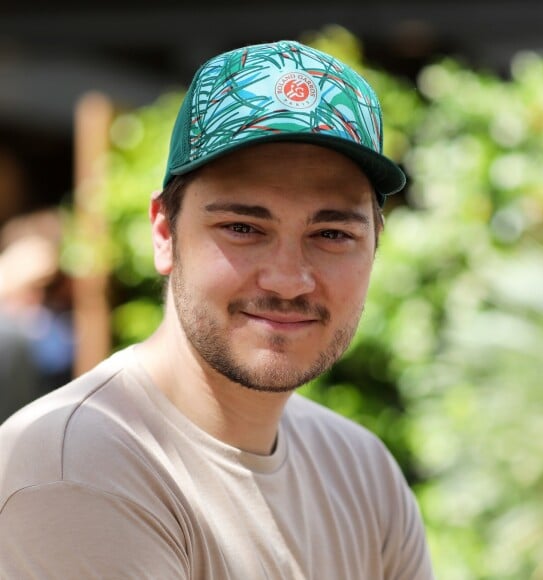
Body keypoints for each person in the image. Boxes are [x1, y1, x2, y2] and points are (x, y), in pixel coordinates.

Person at [0, 40, 434, 579]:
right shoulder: (75, 468)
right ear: (165, 233)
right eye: (244, 228)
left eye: (331, 233)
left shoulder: (363, 472)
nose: (289, 280)